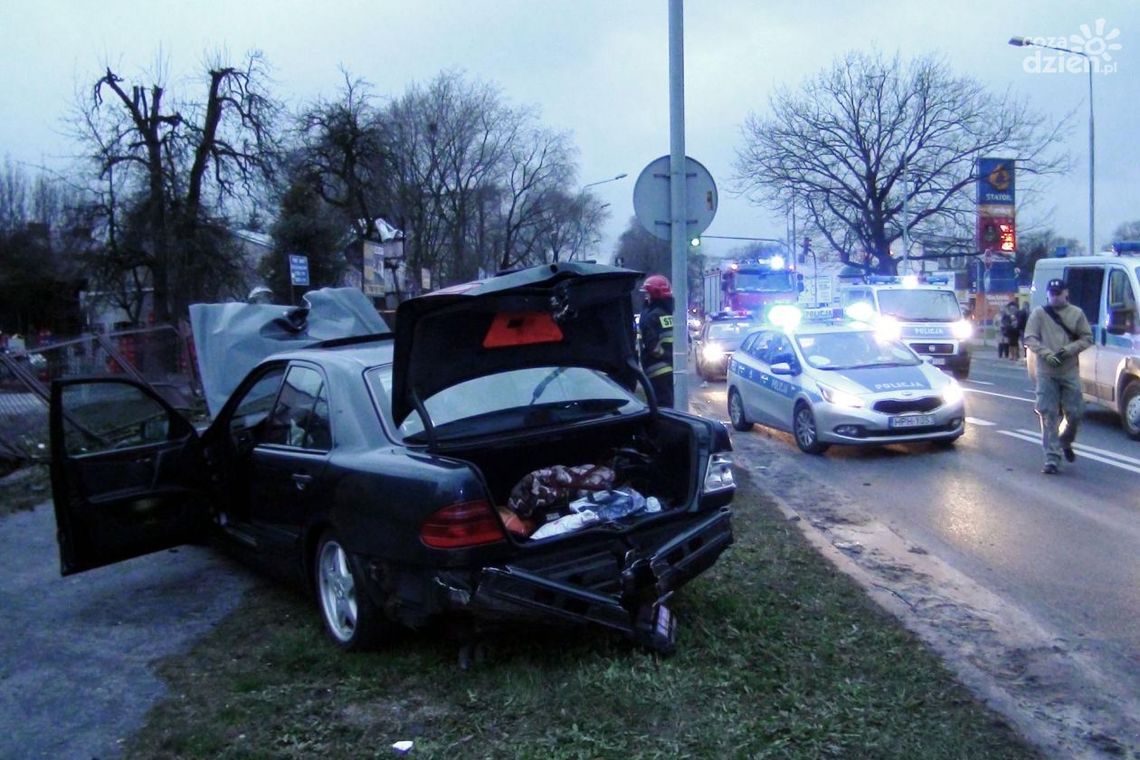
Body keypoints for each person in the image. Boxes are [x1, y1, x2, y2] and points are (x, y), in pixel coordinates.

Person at [1023, 279, 1093, 474]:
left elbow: (1087, 338)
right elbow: (1029, 338)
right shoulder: (1039, 314)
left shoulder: (1076, 314)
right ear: (1048, 294)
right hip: (1047, 372)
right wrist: (1046, 353)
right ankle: (1051, 459)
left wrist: (1068, 350)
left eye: (1058, 293)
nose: (1055, 296)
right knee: (1048, 414)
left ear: (1066, 293)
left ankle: (1064, 441)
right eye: (1052, 293)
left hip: (1069, 370)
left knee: (1076, 413)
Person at [637, 274, 675, 408]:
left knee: (662, 408)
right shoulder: (669, 313)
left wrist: (664, 356)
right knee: (670, 405)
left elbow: (652, 347)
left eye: (647, 293)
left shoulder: (651, 316)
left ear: (655, 293)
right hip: (671, 369)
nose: (645, 297)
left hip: (657, 371)